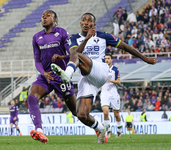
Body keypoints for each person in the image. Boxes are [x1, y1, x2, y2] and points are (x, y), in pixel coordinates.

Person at [51, 13, 157, 143]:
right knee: (81, 115)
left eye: (89, 21)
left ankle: (67, 74)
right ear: (80, 23)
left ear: (93, 25)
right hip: (86, 77)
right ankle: (101, 129)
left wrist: (145, 58)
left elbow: (125, 46)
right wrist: (82, 42)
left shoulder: (103, 36)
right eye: (83, 20)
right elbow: (74, 53)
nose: (86, 23)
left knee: (77, 56)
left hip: (100, 70)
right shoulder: (74, 38)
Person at [28, 10, 76, 144]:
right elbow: (37, 61)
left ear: (54, 19)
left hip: (61, 76)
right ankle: (40, 131)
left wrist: (62, 57)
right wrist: (43, 73)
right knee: (32, 97)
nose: (44, 18)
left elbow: (72, 54)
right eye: (42, 16)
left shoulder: (62, 33)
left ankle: (98, 128)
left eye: (47, 16)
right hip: (46, 76)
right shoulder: (36, 37)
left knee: (77, 112)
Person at [100, 53, 122, 138]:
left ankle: (119, 131)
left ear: (111, 60)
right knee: (105, 112)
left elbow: (119, 82)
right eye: (105, 58)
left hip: (113, 93)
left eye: (108, 58)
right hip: (104, 93)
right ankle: (108, 131)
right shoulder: (101, 69)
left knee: (116, 114)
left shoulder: (115, 69)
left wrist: (110, 80)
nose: (107, 60)